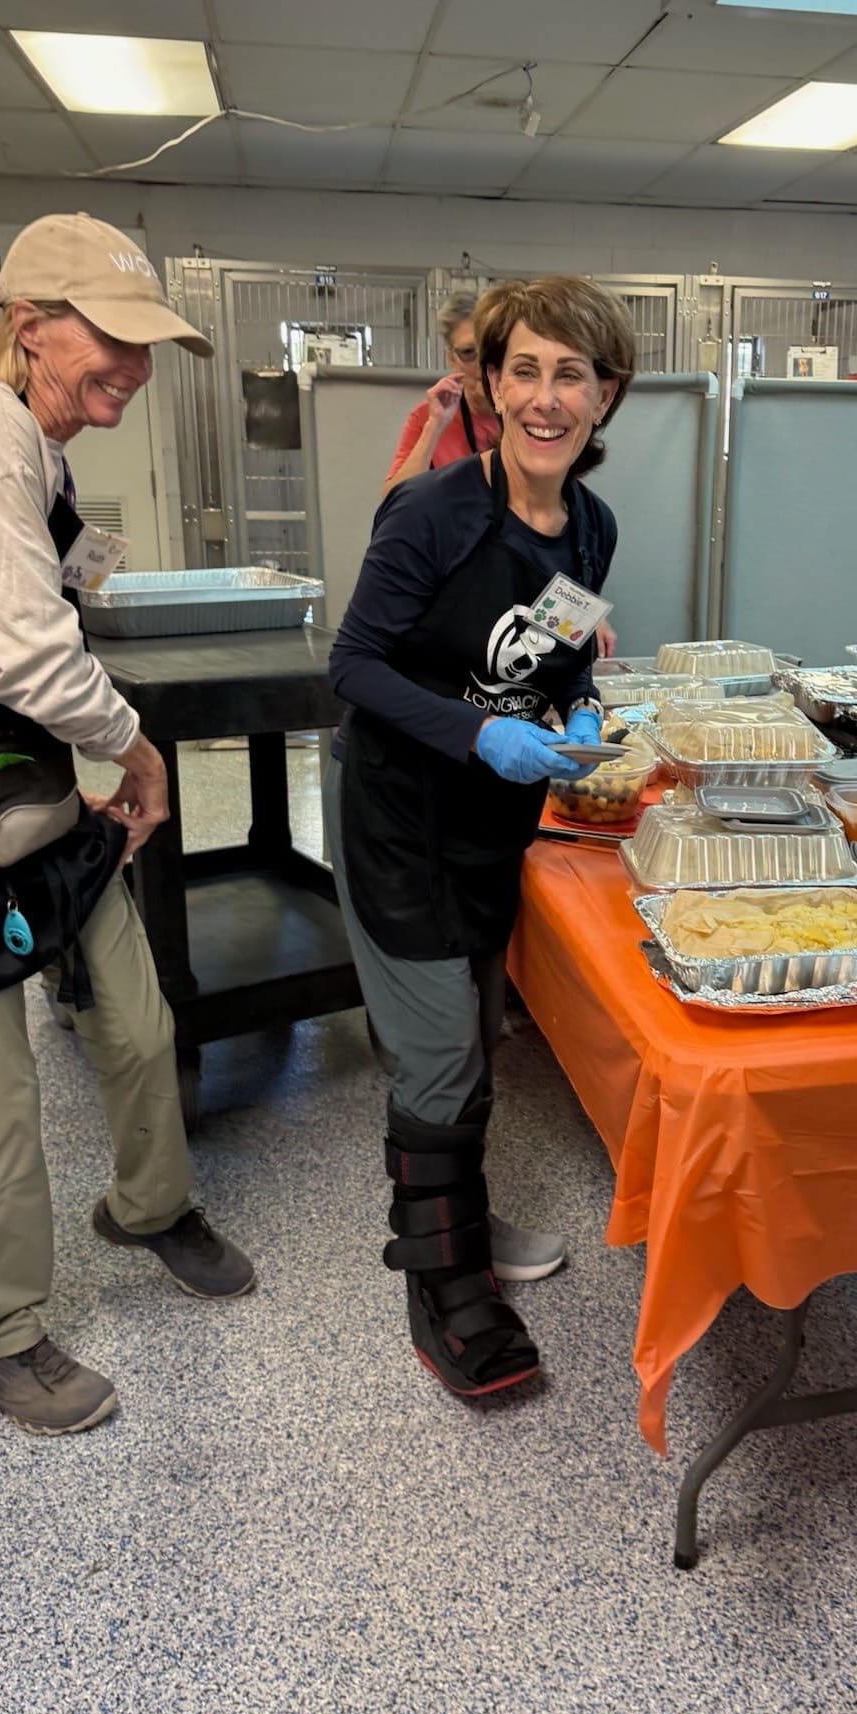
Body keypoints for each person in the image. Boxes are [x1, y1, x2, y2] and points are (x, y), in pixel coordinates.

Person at [0, 213, 254, 1436]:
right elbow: (26, 650)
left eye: (147, 347)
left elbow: (43, 612)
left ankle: (146, 1202)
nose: (132, 368)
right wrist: (135, 749)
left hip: (21, 785)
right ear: (28, 325)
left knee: (135, 1019)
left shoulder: (41, 452)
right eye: (111, 340)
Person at [326, 276, 635, 1395]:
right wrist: (476, 736)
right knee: (441, 1047)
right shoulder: (434, 511)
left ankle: (453, 1215)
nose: (546, 397)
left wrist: (584, 710)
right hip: (402, 818)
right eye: (525, 371)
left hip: (493, 826)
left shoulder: (590, 526)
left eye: (572, 374)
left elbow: (563, 645)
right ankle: (443, 1286)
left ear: (606, 395)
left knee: (473, 1029)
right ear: (490, 385)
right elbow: (352, 666)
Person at [385, 287, 619, 659]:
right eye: (468, 353)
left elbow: (561, 539)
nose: (544, 401)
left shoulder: (593, 517)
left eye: (569, 376)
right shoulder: (432, 434)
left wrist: (585, 611)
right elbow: (393, 509)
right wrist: (435, 426)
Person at [384, 288, 503, 489]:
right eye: (468, 352)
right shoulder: (428, 417)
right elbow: (394, 499)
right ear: (451, 359)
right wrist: (435, 427)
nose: (482, 364)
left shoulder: (525, 413)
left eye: (491, 351)